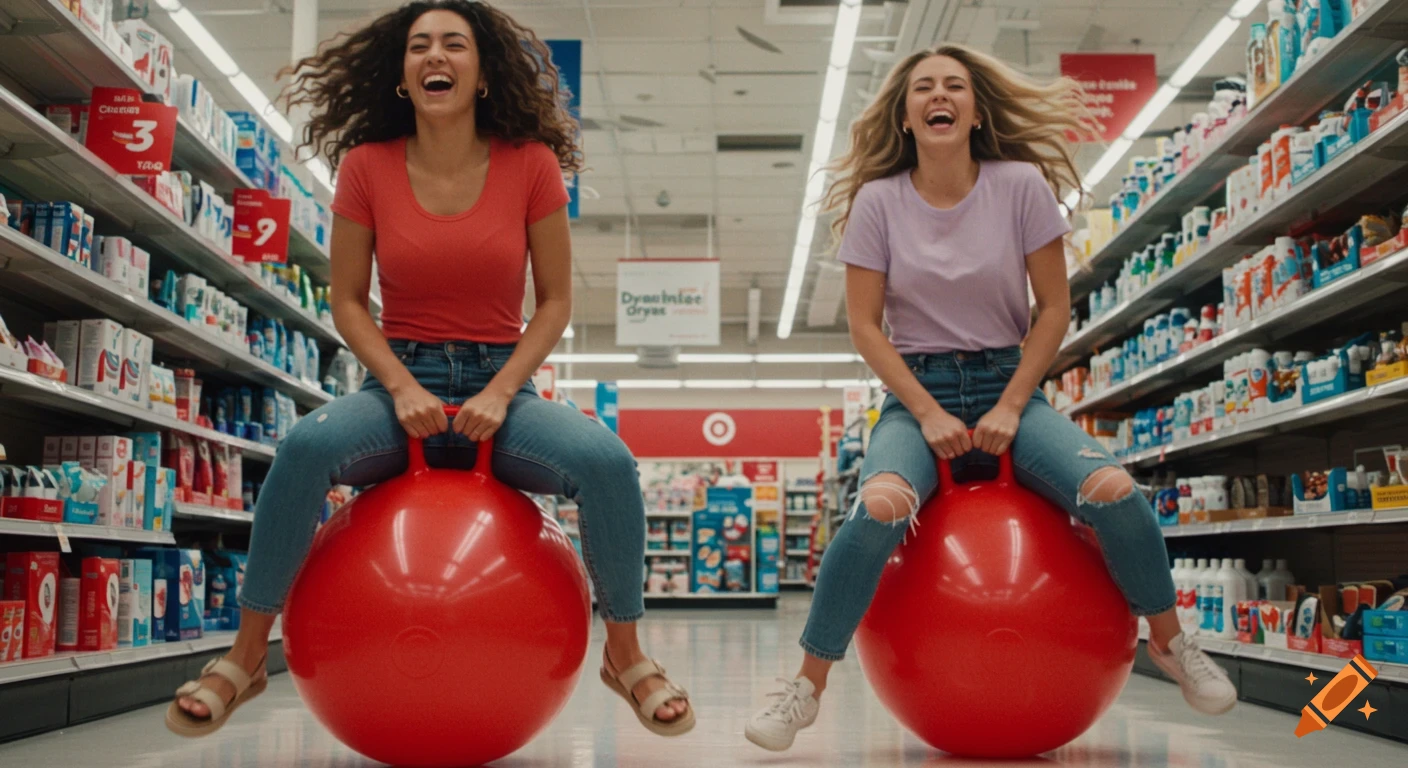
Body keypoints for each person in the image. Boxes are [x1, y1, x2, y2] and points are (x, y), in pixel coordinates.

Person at [166, 0, 692, 738]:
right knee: (305, 449)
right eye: (419, 47)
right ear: (403, 76)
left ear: (482, 74)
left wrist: (504, 391)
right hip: (398, 382)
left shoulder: (531, 165)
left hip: (501, 387)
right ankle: (247, 655)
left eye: (454, 44)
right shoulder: (366, 167)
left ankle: (627, 655)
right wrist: (404, 387)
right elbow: (349, 302)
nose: (435, 56)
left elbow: (556, 303)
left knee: (606, 462)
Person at [745, 44, 1237, 752]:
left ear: (974, 111)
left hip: (1010, 383)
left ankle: (1169, 642)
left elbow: (1054, 310)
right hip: (920, 390)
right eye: (922, 87)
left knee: (1116, 491)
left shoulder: (1020, 186)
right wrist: (927, 411)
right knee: (877, 508)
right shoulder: (879, 202)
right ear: (906, 114)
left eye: (953, 85)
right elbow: (864, 327)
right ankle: (807, 687)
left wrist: (1011, 403)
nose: (938, 95)